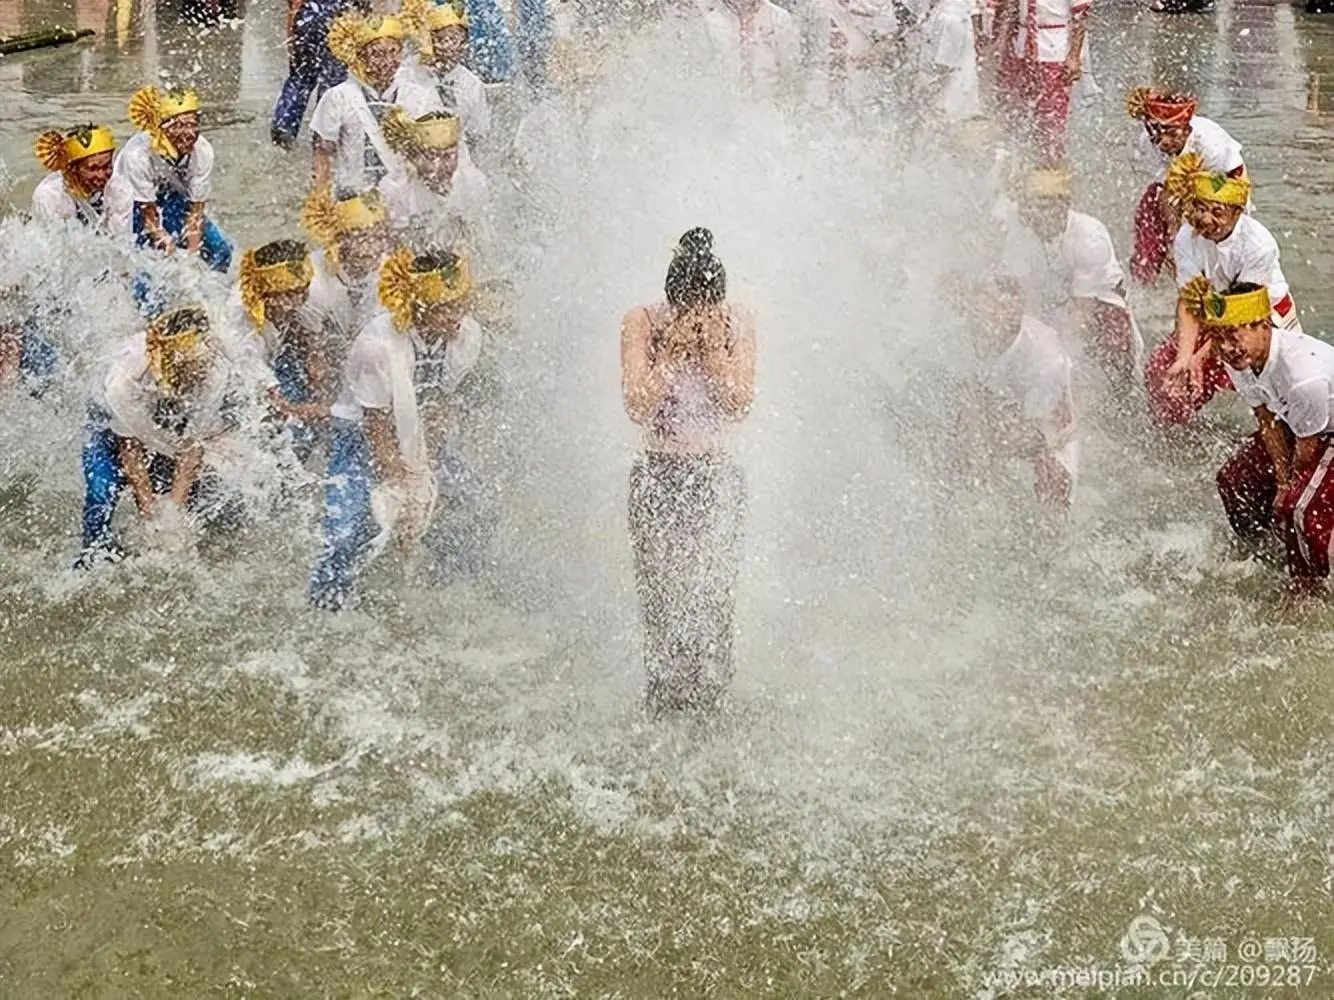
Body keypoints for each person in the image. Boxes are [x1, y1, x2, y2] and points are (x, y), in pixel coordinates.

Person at [620, 228, 756, 716]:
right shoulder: (642, 323)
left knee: (715, 593)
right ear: (671, 302)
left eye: (710, 309)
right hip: (657, 473)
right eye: (689, 310)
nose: (701, 320)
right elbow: (637, 406)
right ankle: (661, 699)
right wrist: (673, 356)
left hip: (716, 477)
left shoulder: (737, 323)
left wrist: (716, 356)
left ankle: (713, 701)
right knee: (659, 594)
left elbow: (739, 403)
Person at [309, 248, 478, 610]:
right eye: (446, 308)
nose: (457, 317)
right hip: (362, 440)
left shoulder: (466, 336)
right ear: (419, 307)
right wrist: (400, 478)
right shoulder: (378, 348)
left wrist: (426, 465)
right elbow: (376, 423)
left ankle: (451, 587)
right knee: (346, 532)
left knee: (472, 503)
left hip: (414, 436)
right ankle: (326, 606)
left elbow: (440, 404)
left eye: (459, 304)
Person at [78, 305, 240, 568]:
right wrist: (150, 514)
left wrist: (172, 520)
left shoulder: (215, 371)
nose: (202, 374)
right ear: (174, 361)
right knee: (102, 489)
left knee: (203, 494)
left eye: (204, 365)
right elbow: (129, 450)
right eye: (194, 369)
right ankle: (91, 562)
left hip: (165, 420)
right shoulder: (126, 379)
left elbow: (191, 449)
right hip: (109, 427)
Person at [1144, 153, 1299, 426]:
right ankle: (1176, 434)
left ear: (1237, 213)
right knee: (1162, 369)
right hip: (1214, 310)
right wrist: (1184, 357)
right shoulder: (1186, 237)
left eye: (1217, 212)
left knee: (1278, 395)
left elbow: (1240, 314)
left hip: (1260, 319)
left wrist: (1200, 357)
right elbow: (1189, 300)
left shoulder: (1258, 244)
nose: (1205, 219)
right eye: (1200, 208)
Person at [1203, 279, 1334, 594]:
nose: (1226, 348)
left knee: (1301, 508)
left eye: (1233, 336)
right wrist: (1280, 479)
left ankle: (1308, 587)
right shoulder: (1239, 358)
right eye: (1217, 338)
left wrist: (1287, 488)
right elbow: (1267, 420)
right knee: (1234, 480)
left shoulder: (1303, 375)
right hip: (1297, 425)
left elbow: (1307, 449)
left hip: (1324, 432)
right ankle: (1270, 549)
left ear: (1263, 324)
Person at [1006, 166, 1144, 385]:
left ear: (1064, 206)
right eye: (1028, 207)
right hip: (1049, 302)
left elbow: (1083, 311)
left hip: (1099, 302)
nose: (1035, 214)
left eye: (1044, 207)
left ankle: (1120, 386)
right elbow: (1022, 293)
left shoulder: (1089, 235)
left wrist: (1064, 353)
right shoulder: (1019, 231)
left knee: (1107, 340)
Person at [970, 273, 1079, 509]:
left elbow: (1045, 435)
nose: (986, 314)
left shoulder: (1045, 357)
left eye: (996, 306)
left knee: (1051, 480)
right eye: (982, 304)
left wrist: (987, 443)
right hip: (995, 429)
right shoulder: (964, 339)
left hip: (1046, 444)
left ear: (1017, 307)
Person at [310, 10, 442, 197]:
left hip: (406, 199)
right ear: (360, 57)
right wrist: (321, 196)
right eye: (377, 54)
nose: (386, 61)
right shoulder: (338, 97)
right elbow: (324, 151)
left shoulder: (419, 97)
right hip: (353, 199)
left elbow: (435, 151)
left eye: (393, 52)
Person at [1125, 86, 1245, 285]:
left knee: (1210, 237)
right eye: (1158, 131)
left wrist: (1193, 215)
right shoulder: (1148, 143)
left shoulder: (1209, 145)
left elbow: (1227, 180)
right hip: (1173, 189)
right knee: (1149, 213)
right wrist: (1171, 236)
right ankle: (1146, 281)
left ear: (1186, 129)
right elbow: (1165, 190)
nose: (1163, 141)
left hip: (1222, 183)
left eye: (1172, 133)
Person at [114, 87, 232, 273]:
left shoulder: (202, 150)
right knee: (146, 268)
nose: (189, 133)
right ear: (162, 129)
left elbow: (196, 212)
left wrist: (192, 258)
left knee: (220, 251)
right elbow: (149, 217)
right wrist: (165, 240)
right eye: (180, 126)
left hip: (173, 198)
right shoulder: (137, 156)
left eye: (193, 124)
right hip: (134, 206)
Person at [233, 240, 332, 458]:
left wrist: (322, 395)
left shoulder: (312, 293)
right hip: (240, 372)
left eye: (302, 291)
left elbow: (315, 353)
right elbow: (274, 407)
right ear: (264, 294)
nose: (297, 302)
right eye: (287, 295)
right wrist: (314, 412)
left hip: (279, 348)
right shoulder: (242, 328)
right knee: (282, 435)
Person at [378, 108, 489, 254]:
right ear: (412, 156)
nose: (441, 166)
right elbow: (394, 252)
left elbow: (482, 242)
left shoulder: (473, 183)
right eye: (431, 156)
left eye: (449, 156)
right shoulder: (395, 191)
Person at [301, 186, 396, 355]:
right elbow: (312, 356)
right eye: (361, 238)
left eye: (378, 237)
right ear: (339, 238)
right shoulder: (312, 279)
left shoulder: (391, 275)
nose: (371, 249)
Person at [993, 0, 1089, 163]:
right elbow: (1011, 8)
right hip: (1022, 48)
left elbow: (1081, 14)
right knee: (1019, 110)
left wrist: (1074, 56)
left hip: (1054, 48)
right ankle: (1021, 163)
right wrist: (1002, 44)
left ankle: (1050, 165)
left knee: (1052, 116)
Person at [271, 0, 370, 150]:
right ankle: (323, 134)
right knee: (331, 82)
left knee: (301, 76)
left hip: (308, 20)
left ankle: (284, 127)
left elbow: (295, 4)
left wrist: (292, 30)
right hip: (340, 25)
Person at [398, 0, 491, 146]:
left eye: (454, 39)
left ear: (464, 45)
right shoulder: (407, 73)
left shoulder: (472, 84)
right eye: (440, 39)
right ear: (429, 40)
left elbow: (479, 132)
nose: (446, 46)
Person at [31, 124, 133, 236]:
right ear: (73, 169)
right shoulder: (50, 195)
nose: (101, 175)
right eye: (93, 168)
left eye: (107, 166)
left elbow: (120, 241)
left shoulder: (120, 189)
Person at [698, 0, 802, 105]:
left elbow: (790, 73)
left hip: (770, 108)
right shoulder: (710, 20)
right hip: (723, 107)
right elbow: (703, 73)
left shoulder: (779, 18)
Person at [917, 0, 982, 125]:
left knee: (937, 76)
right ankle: (945, 116)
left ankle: (935, 115)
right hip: (960, 21)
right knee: (958, 74)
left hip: (947, 20)